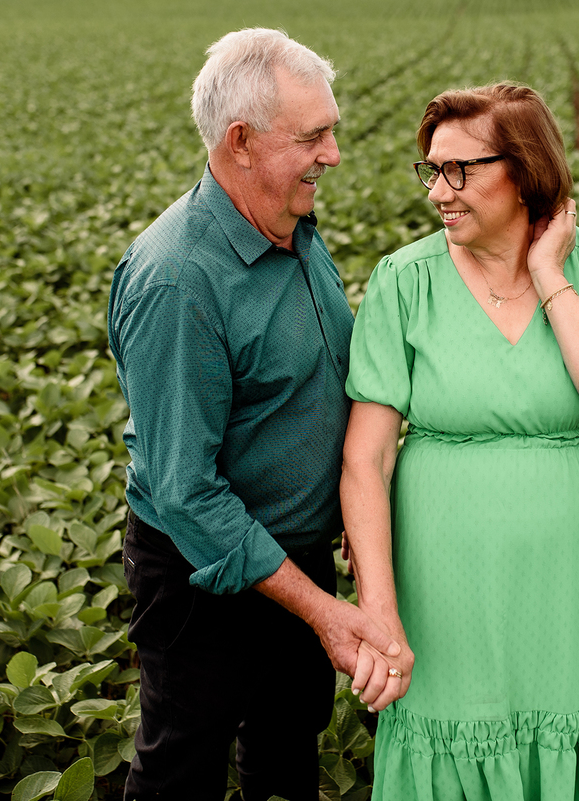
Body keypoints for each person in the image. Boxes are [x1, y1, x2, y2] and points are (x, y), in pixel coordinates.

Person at [340, 83, 579, 799]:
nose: (439, 192)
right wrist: (380, 607)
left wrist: (550, 275)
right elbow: (365, 460)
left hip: (571, 583)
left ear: (525, 170)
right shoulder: (403, 280)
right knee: (450, 741)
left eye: (463, 169)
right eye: (431, 170)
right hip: (443, 586)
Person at [107, 28, 401, 801]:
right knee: (183, 765)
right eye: (313, 136)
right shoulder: (178, 279)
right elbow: (185, 492)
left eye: (331, 130)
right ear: (240, 142)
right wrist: (324, 612)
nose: (333, 153)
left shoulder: (292, 221)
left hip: (297, 553)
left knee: (284, 748)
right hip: (206, 574)